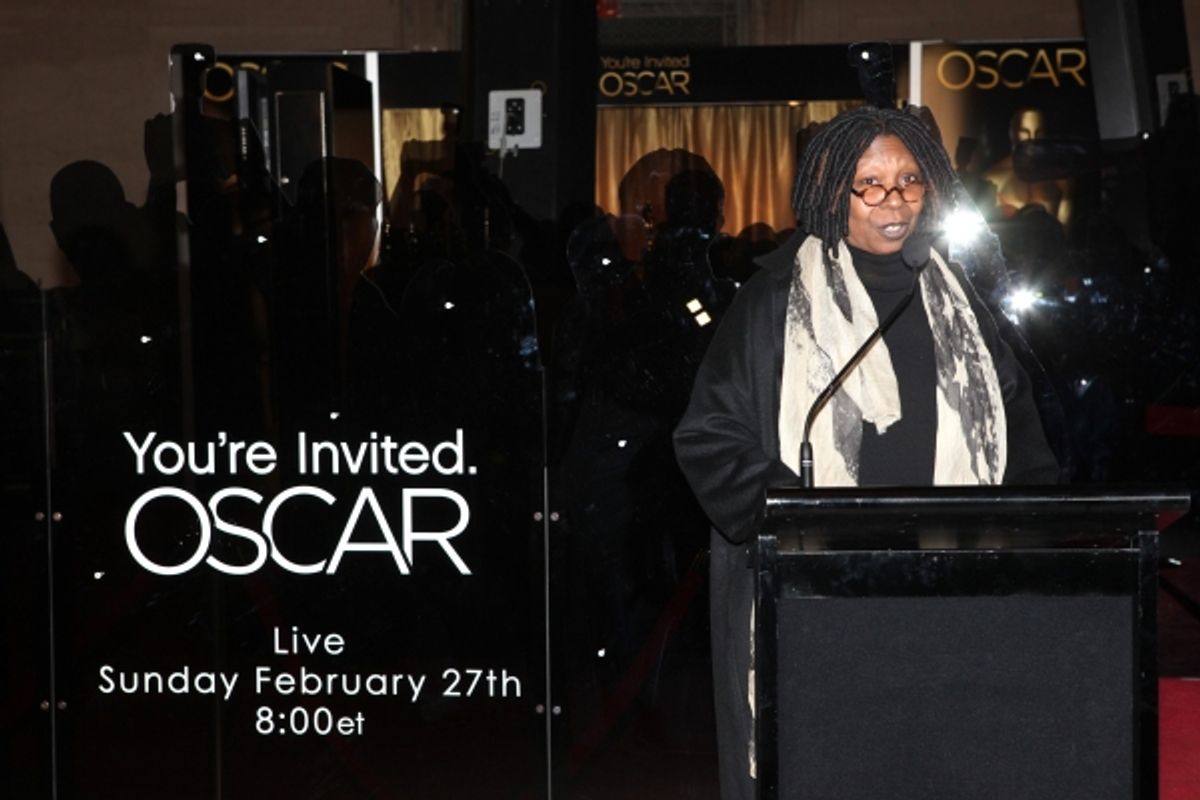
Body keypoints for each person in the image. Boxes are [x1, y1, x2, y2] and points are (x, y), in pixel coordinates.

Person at [673, 105, 1059, 800]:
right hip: (818, 601)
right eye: (871, 183)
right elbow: (708, 436)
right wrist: (796, 520)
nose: (896, 200)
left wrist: (1028, 536)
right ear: (830, 193)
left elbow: (1018, 429)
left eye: (910, 180)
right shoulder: (774, 300)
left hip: (945, 599)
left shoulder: (956, 301)